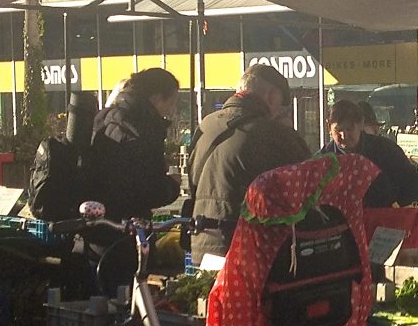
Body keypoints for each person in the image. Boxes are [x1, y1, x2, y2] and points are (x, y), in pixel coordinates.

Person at [188, 63, 310, 261]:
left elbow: (193, 177)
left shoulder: (206, 125)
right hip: (245, 250)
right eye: (279, 103)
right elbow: (306, 175)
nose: (278, 110)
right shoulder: (270, 133)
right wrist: (289, 133)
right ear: (271, 96)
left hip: (202, 244)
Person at [92, 67, 181, 222]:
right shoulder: (143, 127)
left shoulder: (106, 117)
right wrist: (172, 185)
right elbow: (147, 189)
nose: (171, 110)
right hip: (129, 225)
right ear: (157, 98)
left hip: (99, 220)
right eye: (171, 103)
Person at [320, 98, 418, 207]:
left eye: (349, 129)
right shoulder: (322, 160)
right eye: (338, 130)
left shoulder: (385, 150)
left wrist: (399, 210)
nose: (344, 136)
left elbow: (412, 182)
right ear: (329, 128)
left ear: (360, 124)